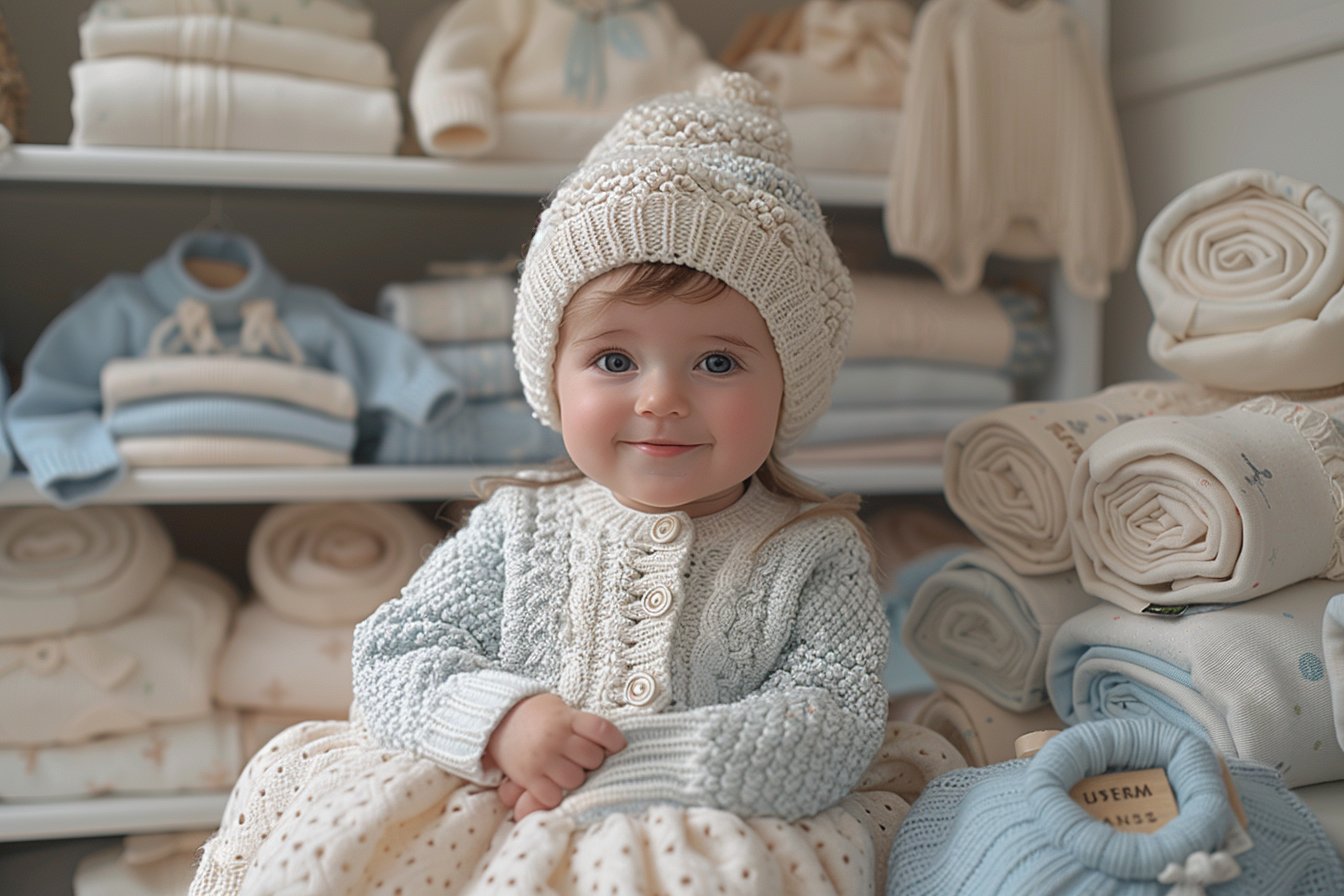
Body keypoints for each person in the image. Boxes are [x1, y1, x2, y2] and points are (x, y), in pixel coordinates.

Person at [190, 71, 897, 896]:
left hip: (713, 831)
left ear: (789, 383)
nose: (659, 398)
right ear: (551, 379)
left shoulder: (812, 553)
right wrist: (504, 722)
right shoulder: (518, 525)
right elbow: (393, 652)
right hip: (497, 807)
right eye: (613, 359)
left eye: (717, 361)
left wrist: (636, 764)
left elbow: (834, 717)